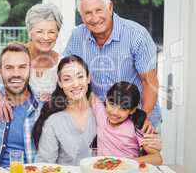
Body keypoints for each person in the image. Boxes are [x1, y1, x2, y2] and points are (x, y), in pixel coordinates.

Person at [32, 55, 162, 166]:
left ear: (89, 78)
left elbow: (155, 156)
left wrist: (144, 118)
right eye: (67, 79)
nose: (75, 83)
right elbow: (44, 164)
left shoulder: (102, 112)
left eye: (80, 76)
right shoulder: (100, 112)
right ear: (59, 83)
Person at [64, 0, 161, 132]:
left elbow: (149, 82)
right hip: (98, 123)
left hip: (137, 117)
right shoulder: (77, 36)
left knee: (140, 156)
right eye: (88, 13)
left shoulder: (136, 35)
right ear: (81, 16)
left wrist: (143, 118)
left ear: (110, 7)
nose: (95, 18)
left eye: (98, 10)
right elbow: (66, 75)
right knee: (99, 157)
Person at [0, 3, 63, 121]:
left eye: (51, 32)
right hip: (15, 126)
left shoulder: (62, 64)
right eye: (40, 31)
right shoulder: (16, 56)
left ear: (58, 33)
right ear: (30, 32)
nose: (45, 37)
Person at [93, 81, 162, 165]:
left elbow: (157, 158)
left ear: (132, 110)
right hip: (101, 169)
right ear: (106, 100)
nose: (115, 112)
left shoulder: (138, 125)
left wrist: (122, 163)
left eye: (123, 108)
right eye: (111, 104)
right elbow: (86, 91)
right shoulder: (100, 111)